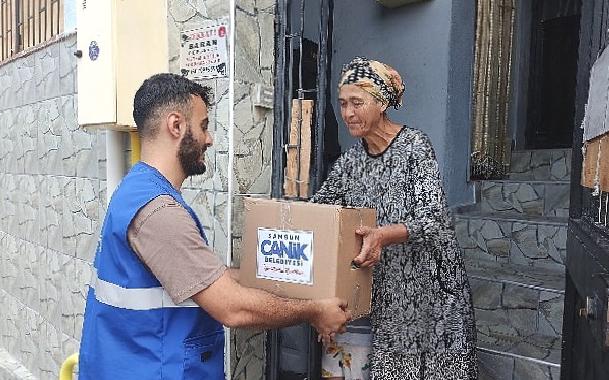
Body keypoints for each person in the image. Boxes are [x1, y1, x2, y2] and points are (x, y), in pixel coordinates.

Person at [78, 73, 351, 380]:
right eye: (204, 126)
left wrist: (287, 279)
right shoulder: (159, 212)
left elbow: (207, 278)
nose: (209, 139)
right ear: (176, 125)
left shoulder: (136, 191)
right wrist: (313, 310)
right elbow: (232, 308)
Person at [313, 57, 478, 380]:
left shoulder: (415, 147)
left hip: (434, 293)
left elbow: (433, 219)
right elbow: (320, 214)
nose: (347, 113)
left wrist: (382, 235)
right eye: (343, 103)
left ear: (382, 102)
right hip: (391, 301)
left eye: (357, 103)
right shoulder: (350, 163)